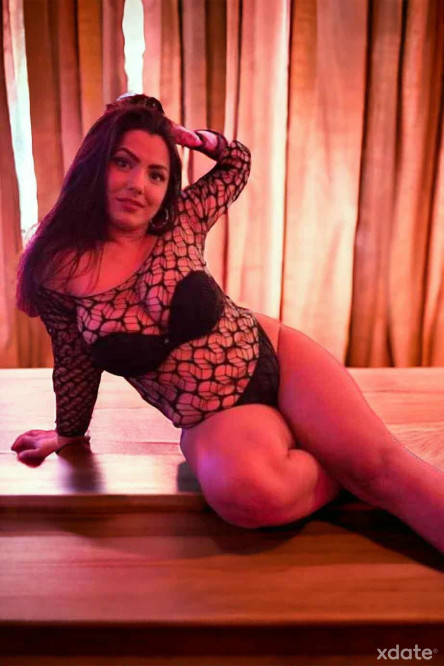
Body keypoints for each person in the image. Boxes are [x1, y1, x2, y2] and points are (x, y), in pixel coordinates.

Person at [12, 94, 444, 554]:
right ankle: (339, 462)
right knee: (252, 498)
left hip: (279, 355)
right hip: (212, 414)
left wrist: (197, 140)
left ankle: (352, 462)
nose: (138, 185)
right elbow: (75, 360)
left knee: (383, 470)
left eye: (157, 174)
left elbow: (237, 164)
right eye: (124, 163)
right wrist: (69, 431)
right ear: (95, 164)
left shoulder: (181, 220)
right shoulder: (55, 269)